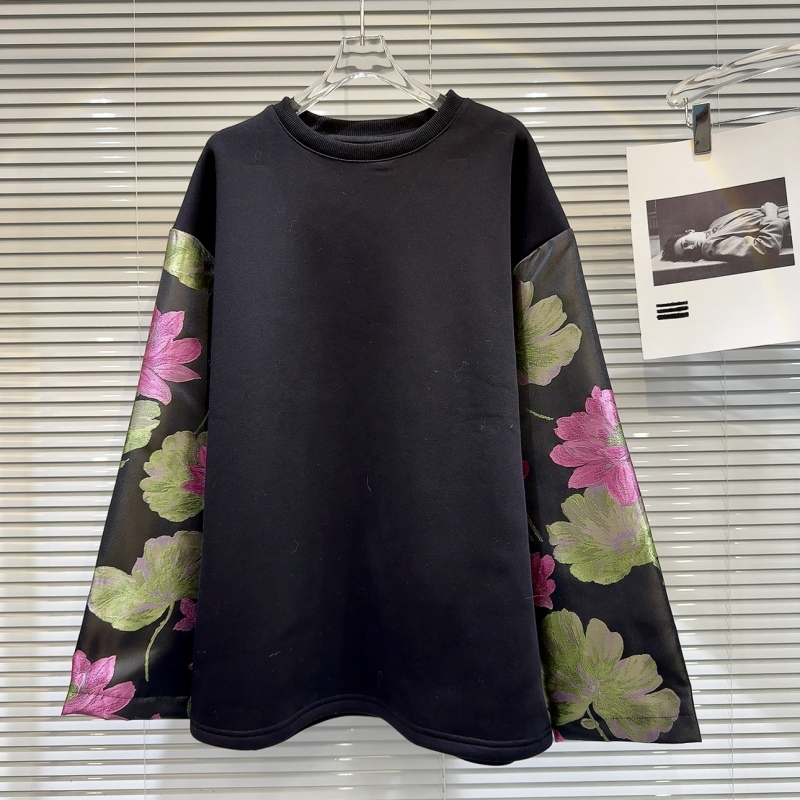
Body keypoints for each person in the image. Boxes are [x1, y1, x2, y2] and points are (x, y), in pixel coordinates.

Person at [661, 202, 790, 265]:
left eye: (685, 244)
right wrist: (771, 212)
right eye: (687, 253)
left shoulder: (716, 223)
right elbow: (766, 247)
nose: (691, 248)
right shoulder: (710, 246)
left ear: (690, 231)